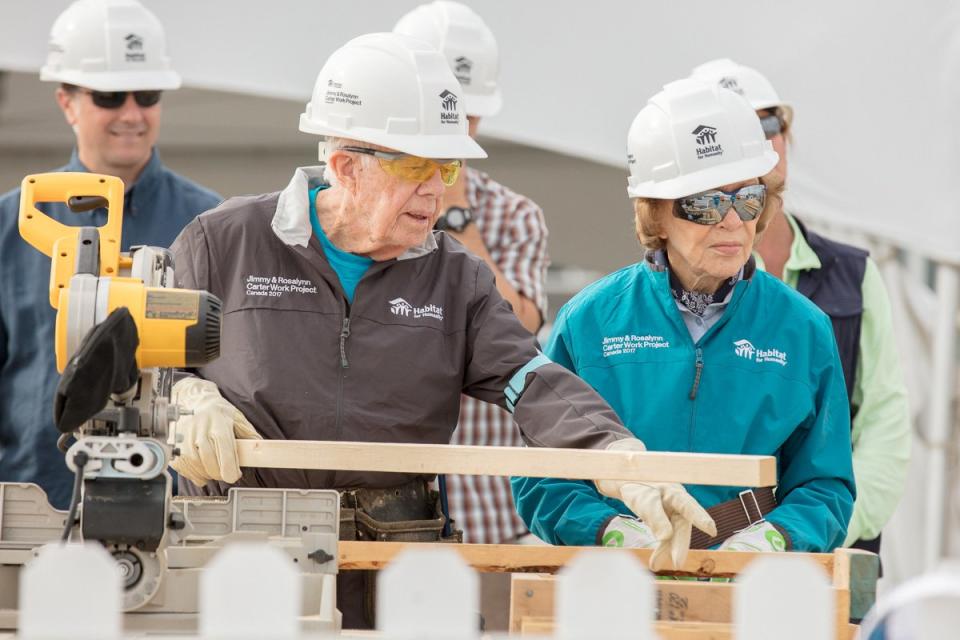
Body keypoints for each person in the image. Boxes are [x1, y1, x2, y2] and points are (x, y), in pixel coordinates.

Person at [167, 33, 713, 628]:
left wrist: (619, 457)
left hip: (396, 561)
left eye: (447, 166)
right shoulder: (222, 243)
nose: (439, 188)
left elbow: (530, 381)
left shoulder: (457, 279)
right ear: (347, 166)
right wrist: (183, 398)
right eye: (416, 167)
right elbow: (138, 370)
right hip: (239, 558)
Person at [512, 79, 856, 555]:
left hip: (754, 586)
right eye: (706, 203)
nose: (732, 221)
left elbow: (826, 485)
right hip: (616, 583)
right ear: (656, 214)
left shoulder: (804, 329)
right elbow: (543, 478)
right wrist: (609, 530)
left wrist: (774, 539)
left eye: (748, 198)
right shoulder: (589, 321)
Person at [0, 0, 221, 509]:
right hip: (33, 504)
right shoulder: (12, 226)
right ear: (67, 102)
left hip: (171, 505)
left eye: (146, 95)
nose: (131, 113)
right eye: (108, 95)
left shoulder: (213, 224)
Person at [691, 59, 910, 553]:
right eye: (737, 126)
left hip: (829, 545)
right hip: (709, 549)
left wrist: (813, 529)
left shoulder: (853, 273)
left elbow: (883, 421)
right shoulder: (669, 285)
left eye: (769, 124)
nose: (761, 139)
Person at [394, 1, 547, 548]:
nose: (455, 127)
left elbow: (519, 331)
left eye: (467, 115)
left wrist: (455, 211)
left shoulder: (514, 214)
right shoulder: (365, 212)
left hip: (492, 512)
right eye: (444, 110)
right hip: (389, 503)